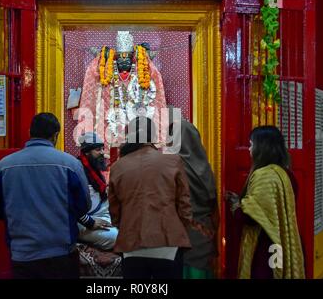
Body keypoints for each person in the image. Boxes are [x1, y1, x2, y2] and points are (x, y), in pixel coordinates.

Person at [0, 112, 92, 279]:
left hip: (23, 255)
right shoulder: (70, 164)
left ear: (30, 133)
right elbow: (83, 206)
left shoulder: (3, 166)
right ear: (55, 135)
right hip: (61, 253)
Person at [108, 116, 211, 279]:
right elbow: (184, 206)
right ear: (154, 136)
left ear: (129, 136)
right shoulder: (172, 161)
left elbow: (114, 212)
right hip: (168, 242)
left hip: (131, 243)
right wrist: (179, 230)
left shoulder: (117, 167)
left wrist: (127, 227)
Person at [226, 125, 305, 279]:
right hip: (283, 239)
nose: (249, 150)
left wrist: (235, 205)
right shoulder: (286, 173)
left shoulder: (265, 176)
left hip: (265, 246)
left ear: (262, 148)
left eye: (251, 145)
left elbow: (249, 217)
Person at [78, 31, 167, 148]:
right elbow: (95, 76)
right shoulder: (108, 76)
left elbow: (153, 91)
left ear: (133, 59)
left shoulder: (141, 74)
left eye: (128, 58)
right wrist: (101, 57)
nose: (124, 61)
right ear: (115, 59)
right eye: (120, 58)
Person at [175, 119, 219, 279]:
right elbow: (214, 207)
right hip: (204, 236)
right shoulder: (206, 167)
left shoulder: (173, 167)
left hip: (181, 237)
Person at [76, 132, 118, 250]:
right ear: (87, 152)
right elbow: (72, 205)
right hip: (84, 222)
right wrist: (90, 222)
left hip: (102, 216)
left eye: (102, 149)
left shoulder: (95, 170)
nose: (102, 153)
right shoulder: (77, 169)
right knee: (117, 237)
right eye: (98, 150)